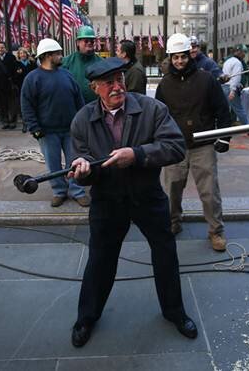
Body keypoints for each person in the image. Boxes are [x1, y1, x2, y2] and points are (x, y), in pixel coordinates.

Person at [67, 57, 197, 348]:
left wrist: (136, 154)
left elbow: (175, 147)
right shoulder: (82, 120)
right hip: (107, 200)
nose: (117, 87)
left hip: (147, 196)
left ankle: (174, 312)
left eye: (120, 79)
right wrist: (83, 171)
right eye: (108, 82)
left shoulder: (151, 109)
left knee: (165, 254)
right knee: (100, 259)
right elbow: (79, 164)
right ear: (94, 88)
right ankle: (87, 317)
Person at [155, 34, 231, 251]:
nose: (179, 61)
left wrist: (224, 137)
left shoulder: (206, 79)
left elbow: (222, 110)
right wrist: (160, 142)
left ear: (190, 55)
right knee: (171, 190)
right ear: (170, 58)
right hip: (175, 146)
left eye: (183, 57)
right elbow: (159, 116)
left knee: (209, 192)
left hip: (203, 145)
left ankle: (216, 231)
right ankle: (173, 223)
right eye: (175, 57)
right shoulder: (165, 84)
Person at [21, 39, 89, 207]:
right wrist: (34, 128)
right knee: (53, 164)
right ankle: (59, 191)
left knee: (75, 162)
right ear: (48, 56)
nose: (61, 56)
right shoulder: (32, 79)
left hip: (70, 130)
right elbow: (26, 105)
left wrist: (82, 121)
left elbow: (78, 99)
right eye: (58, 53)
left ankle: (77, 191)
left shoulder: (66, 75)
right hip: (47, 131)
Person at [62, 25, 102, 103]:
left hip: (97, 109)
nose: (89, 43)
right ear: (78, 42)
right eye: (86, 41)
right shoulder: (66, 62)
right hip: (73, 108)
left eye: (92, 41)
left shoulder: (102, 62)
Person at [0, 42, 18, 129]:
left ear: (5, 48)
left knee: (12, 104)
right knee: (2, 105)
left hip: (9, 85)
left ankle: (13, 121)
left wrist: (14, 82)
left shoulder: (11, 57)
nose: (0, 49)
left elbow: (14, 71)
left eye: (2, 47)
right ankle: (4, 121)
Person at [221, 45, 249, 125]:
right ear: (239, 52)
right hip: (230, 88)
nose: (244, 55)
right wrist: (233, 90)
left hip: (224, 87)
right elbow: (236, 76)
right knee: (239, 109)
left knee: (224, 109)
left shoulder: (228, 61)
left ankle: (224, 126)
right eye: (243, 52)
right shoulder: (237, 63)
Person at [15, 47, 38, 132]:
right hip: (21, 87)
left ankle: (33, 122)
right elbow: (14, 77)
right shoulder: (16, 64)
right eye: (21, 53)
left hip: (31, 86)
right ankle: (25, 124)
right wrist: (18, 74)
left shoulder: (31, 63)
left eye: (24, 53)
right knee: (24, 106)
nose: (22, 55)